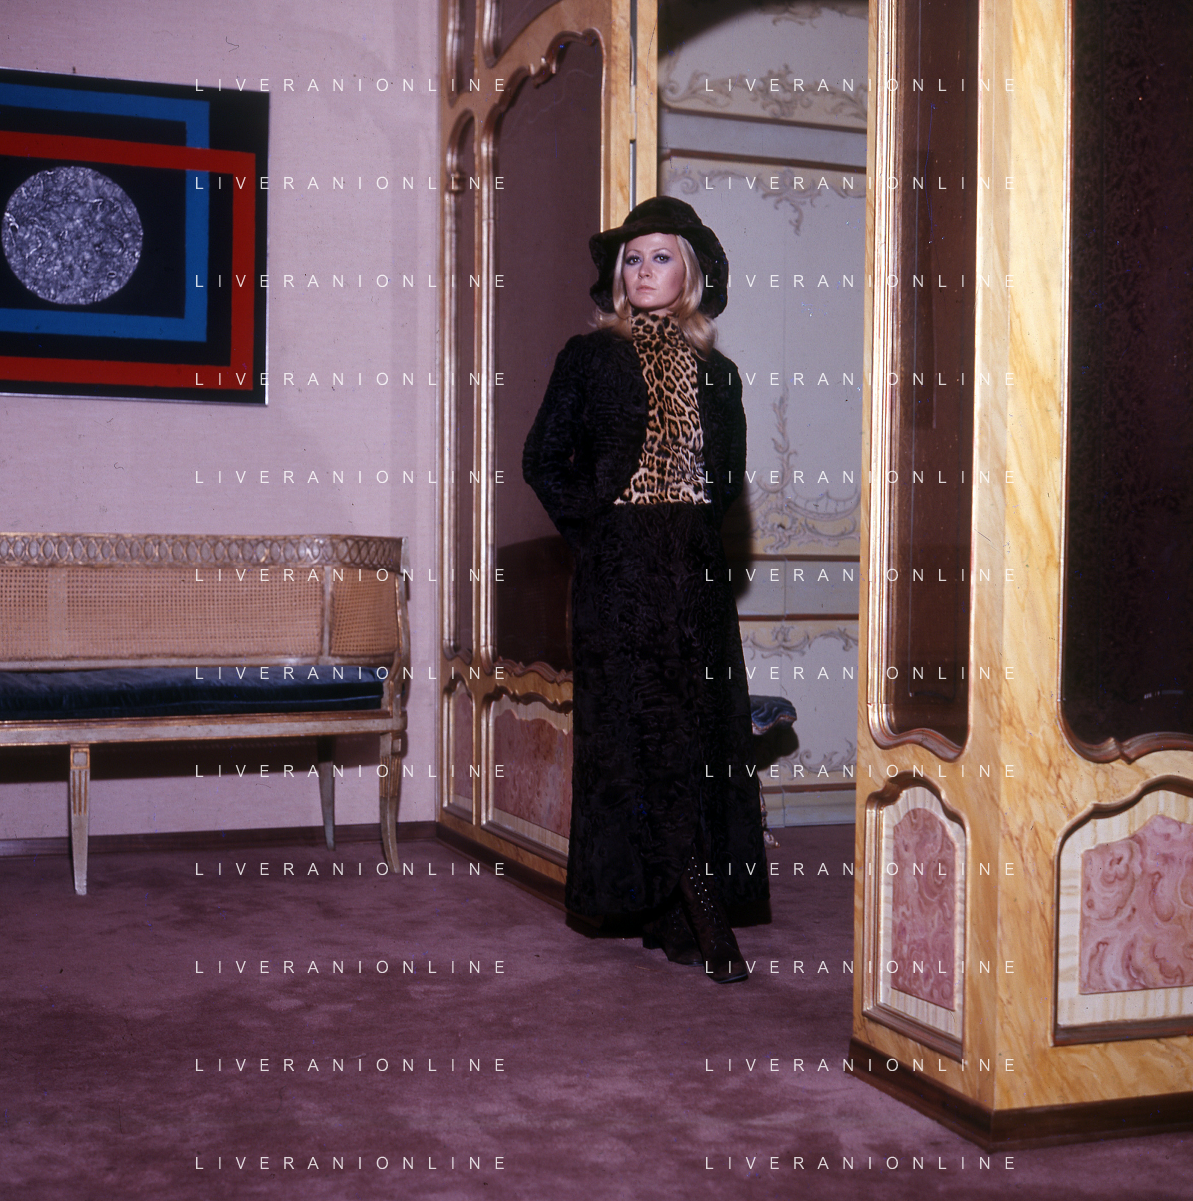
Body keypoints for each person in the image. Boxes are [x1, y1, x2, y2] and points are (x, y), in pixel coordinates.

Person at [522, 196, 767, 984]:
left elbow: (724, 482)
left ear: (688, 273)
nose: (642, 271)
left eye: (660, 257)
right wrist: (596, 530)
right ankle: (702, 916)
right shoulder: (588, 358)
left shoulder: (718, 375)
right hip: (619, 570)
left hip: (692, 571)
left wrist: (688, 538)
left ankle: (674, 908)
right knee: (640, 737)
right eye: (631, 258)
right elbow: (541, 459)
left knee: (693, 739)